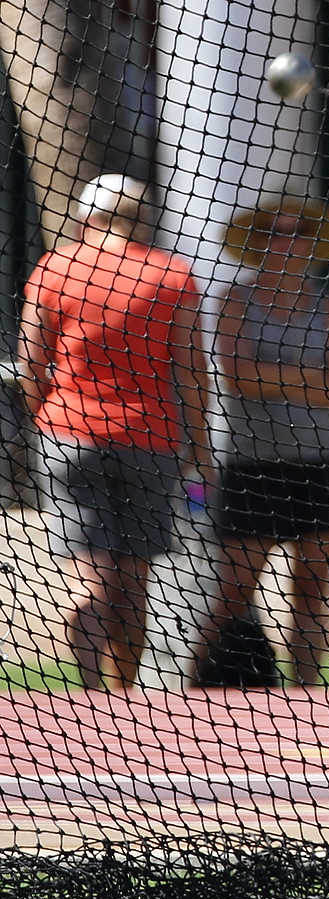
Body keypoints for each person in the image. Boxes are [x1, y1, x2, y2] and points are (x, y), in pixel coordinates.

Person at [17, 174, 213, 690]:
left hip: (69, 433)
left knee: (89, 574)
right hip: (151, 438)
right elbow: (191, 369)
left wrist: (43, 418)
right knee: (132, 579)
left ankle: (86, 699)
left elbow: (31, 362)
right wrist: (203, 450)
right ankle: (125, 705)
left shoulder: (54, 268)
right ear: (143, 217)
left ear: (86, 217)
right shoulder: (172, 275)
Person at [187, 192, 329, 688]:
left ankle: (307, 695)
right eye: (276, 233)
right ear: (259, 243)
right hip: (251, 464)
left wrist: (280, 378)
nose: (288, 243)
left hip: (323, 462)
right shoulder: (234, 300)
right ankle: (189, 700)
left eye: (297, 232)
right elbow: (238, 376)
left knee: (311, 591)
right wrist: (312, 381)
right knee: (236, 591)